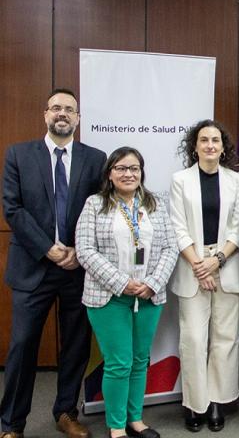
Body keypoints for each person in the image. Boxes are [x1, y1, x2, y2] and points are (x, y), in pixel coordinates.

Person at [1, 89, 106, 438]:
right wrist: (49, 248)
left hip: (78, 268)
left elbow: (100, 210)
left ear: (78, 119)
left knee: (76, 344)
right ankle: (12, 423)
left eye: (70, 110)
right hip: (33, 266)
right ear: (46, 114)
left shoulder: (96, 159)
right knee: (22, 346)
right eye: (57, 108)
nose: (63, 114)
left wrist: (79, 249)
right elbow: (13, 208)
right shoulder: (19, 155)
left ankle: (65, 412)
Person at [75, 147, 178, 438]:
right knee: (119, 362)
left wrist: (153, 283)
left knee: (140, 359)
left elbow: (171, 247)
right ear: (110, 173)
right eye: (121, 168)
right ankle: (117, 426)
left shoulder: (156, 203)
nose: (128, 174)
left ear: (141, 173)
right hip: (109, 297)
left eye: (134, 168)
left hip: (148, 295)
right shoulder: (95, 204)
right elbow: (85, 250)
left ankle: (136, 419)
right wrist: (122, 282)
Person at [169, 120, 239, 432]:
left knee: (225, 340)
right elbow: (177, 226)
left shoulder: (236, 180)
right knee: (194, 339)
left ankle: (216, 402)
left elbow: (238, 227)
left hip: (226, 266)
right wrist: (199, 265)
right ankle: (194, 404)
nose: (210, 145)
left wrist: (215, 261)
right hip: (192, 269)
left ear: (223, 146)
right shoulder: (180, 180)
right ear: (195, 146)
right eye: (204, 140)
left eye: (216, 140)